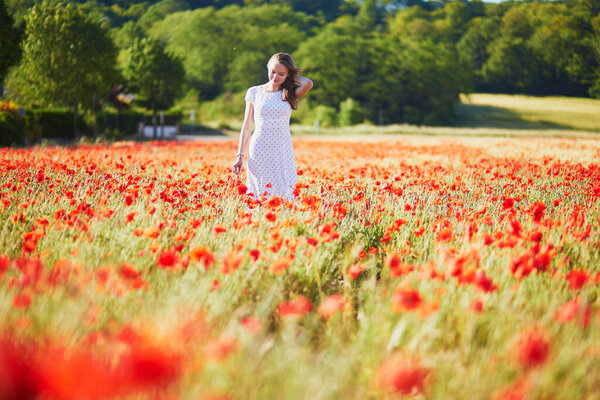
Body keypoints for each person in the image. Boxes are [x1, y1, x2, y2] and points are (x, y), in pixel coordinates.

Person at [232, 53, 313, 201]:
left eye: (281, 74)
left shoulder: (290, 93)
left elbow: (308, 84)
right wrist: (240, 155)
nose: (275, 77)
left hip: (282, 147)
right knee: (259, 190)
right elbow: (247, 125)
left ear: (288, 75)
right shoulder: (254, 92)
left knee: (284, 189)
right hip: (259, 147)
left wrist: (291, 77)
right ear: (267, 69)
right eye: (273, 72)